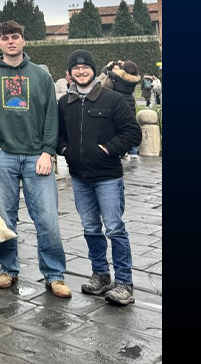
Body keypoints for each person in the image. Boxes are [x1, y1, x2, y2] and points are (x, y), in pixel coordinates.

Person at [0, 20, 71, 298]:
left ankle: (54, 274)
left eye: (15, 37)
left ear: (23, 40)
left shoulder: (39, 75)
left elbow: (51, 117)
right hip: (2, 155)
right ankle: (8, 268)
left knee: (48, 218)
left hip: (36, 157)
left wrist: (46, 152)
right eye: (5, 38)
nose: (11, 42)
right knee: (5, 218)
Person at [56, 49, 141, 306]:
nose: (81, 71)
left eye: (86, 67)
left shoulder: (112, 99)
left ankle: (124, 282)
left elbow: (132, 133)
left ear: (94, 70)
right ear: (69, 73)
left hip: (107, 176)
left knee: (114, 228)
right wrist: (65, 150)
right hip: (80, 177)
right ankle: (101, 275)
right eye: (76, 68)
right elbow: (58, 136)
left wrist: (108, 149)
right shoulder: (64, 103)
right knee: (91, 228)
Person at [105, 60, 142, 159]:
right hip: (130, 101)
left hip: (119, 100)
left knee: (117, 126)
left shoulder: (119, 77)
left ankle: (122, 150)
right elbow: (131, 70)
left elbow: (105, 72)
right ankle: (133, 151)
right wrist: (126, 64)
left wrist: (109, 65)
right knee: (130, 125)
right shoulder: (135, 79)